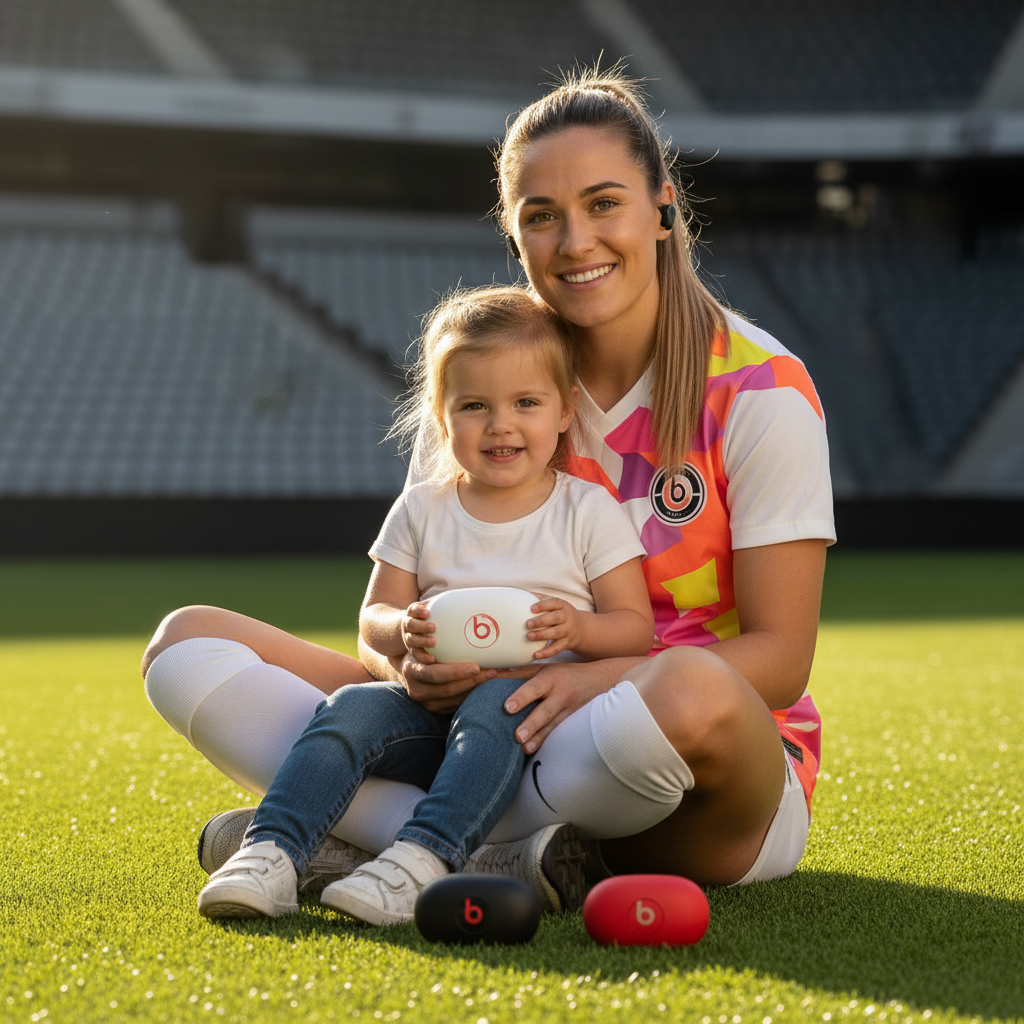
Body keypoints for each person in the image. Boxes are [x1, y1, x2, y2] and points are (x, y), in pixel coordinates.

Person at [143, 65, 834, 908]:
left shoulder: (762, 389)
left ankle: (350, 830)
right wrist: (413, 661)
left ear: (662, 206)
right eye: (541, 216)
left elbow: (779, 663)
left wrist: (592, 681)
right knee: (186, 642)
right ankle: (484, 850)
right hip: (468, 727)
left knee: (692, 688)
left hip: (677, 756)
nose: (575, 241)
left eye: (603, 203)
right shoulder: (486, 383)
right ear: (515, 236)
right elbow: (388, 625)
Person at [190, 285, 655, 924]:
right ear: (442, 415)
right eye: (474, 405)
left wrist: (577, 627)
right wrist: (403, 629)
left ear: (564, 410)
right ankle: (271, 852)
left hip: (535, 722)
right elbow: (373, 619)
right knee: (350, 707)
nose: (501, 424)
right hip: (427, 709)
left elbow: (635, 631)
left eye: (526, 402)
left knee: (498, 700)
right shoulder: (422, 508)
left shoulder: (587, 511)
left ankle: (419, 862)